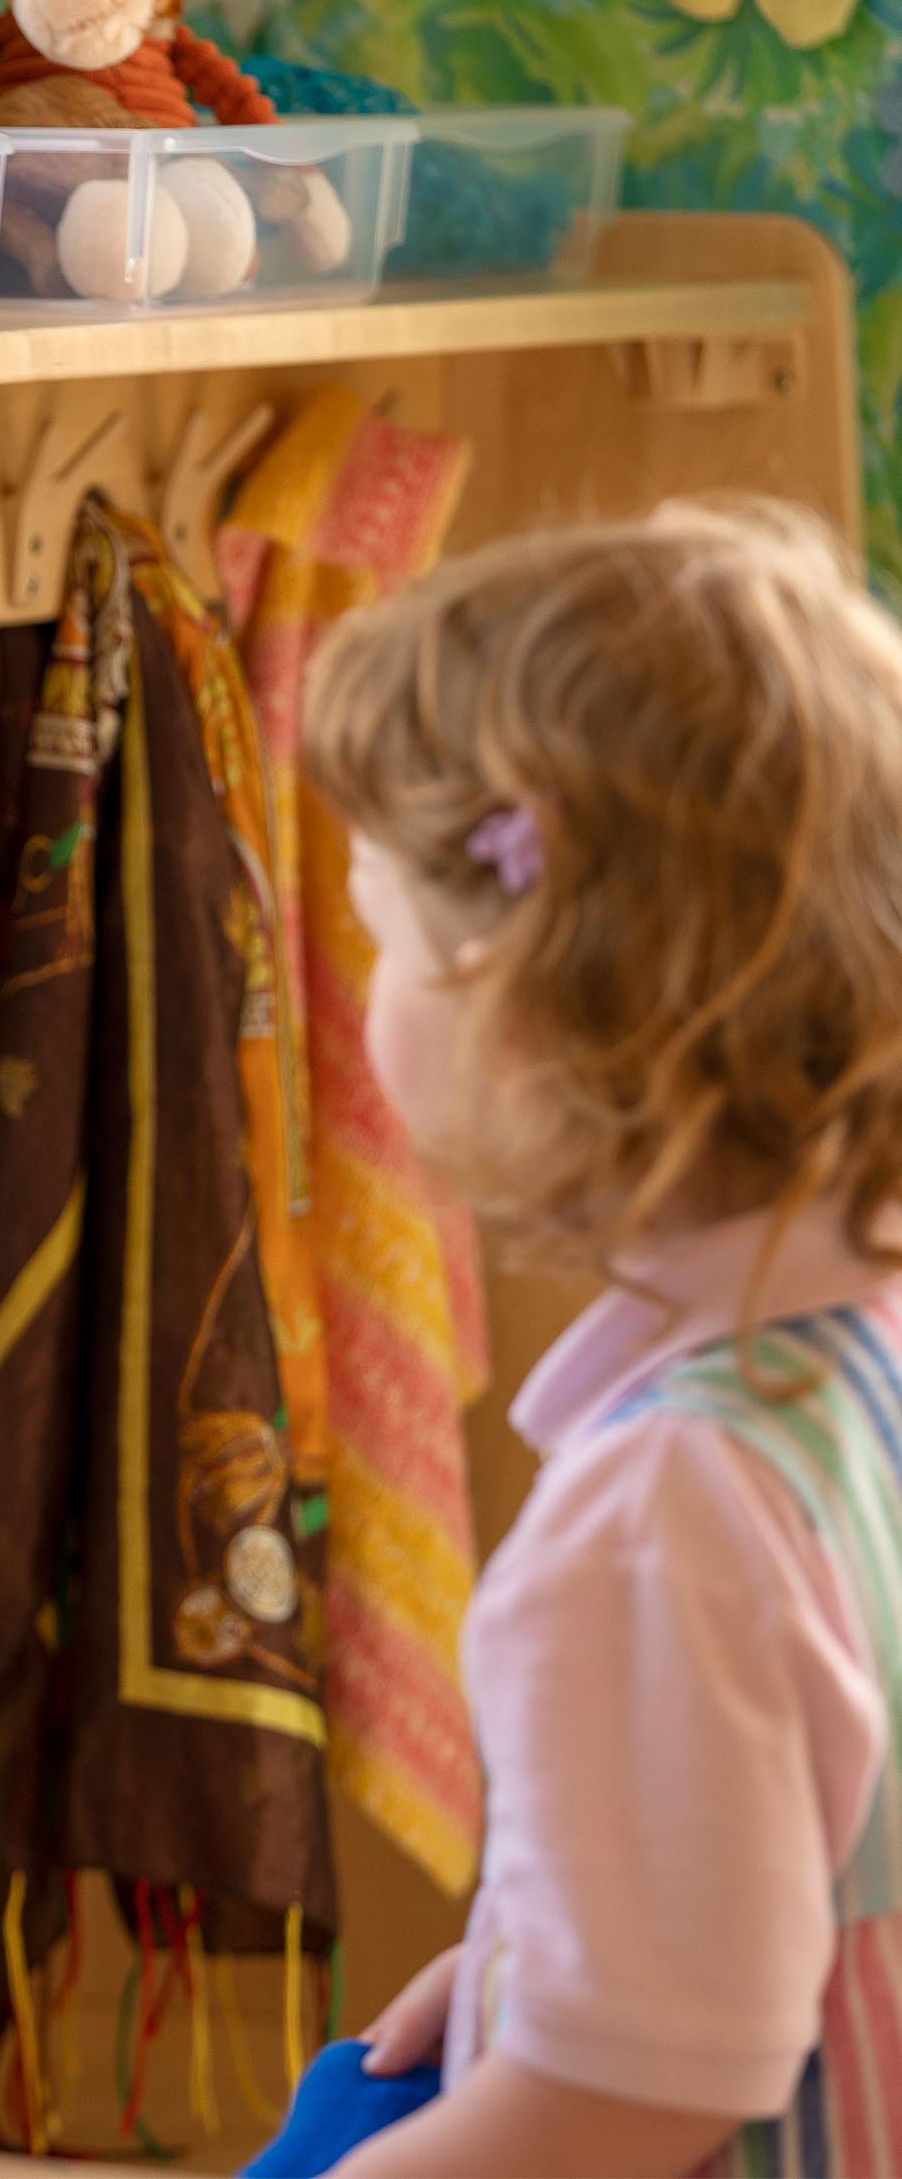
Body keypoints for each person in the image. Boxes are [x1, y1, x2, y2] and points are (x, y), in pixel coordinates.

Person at [295, 502, 902, 2174]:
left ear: (529, 999)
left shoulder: (665, 1521)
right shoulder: (859, 1356)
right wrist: (539, 1964)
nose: (367, 992)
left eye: (384, 938)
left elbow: (635, 2101)